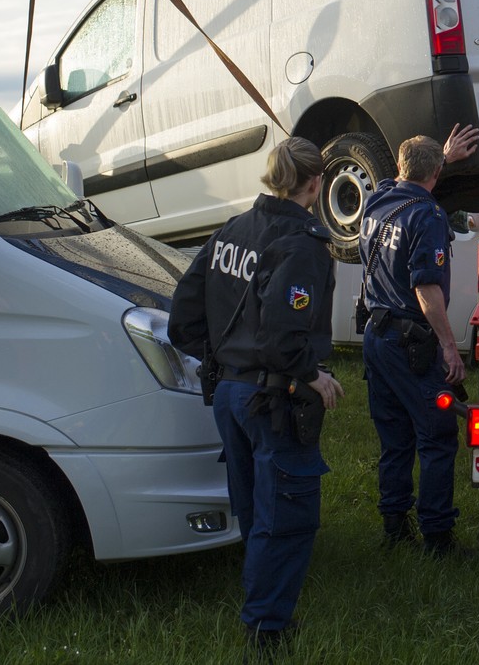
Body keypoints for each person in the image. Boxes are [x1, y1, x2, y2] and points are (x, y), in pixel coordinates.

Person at [169, 137, 345, 658]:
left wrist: (226, 358)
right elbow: (282, 335)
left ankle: (260, 599)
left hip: (230, 393)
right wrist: (310, 375)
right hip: (272, 399)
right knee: (284, 513)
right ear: (315, 184)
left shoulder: (232, 230)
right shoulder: (301, 243)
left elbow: (183, 318)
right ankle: (268, 628)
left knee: (252, 508)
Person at [360, 124, 479, 555]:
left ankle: (393, 526)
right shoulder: (427, 216)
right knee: (436, 434)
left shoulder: (378, 199)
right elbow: (426, 289)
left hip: (376, 337)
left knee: (394, 438)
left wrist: (442, 157)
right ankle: (437, 536)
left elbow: (410, 175)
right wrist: (449, 345)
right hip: (411, 344)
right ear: (434, 175)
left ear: (399, 167)